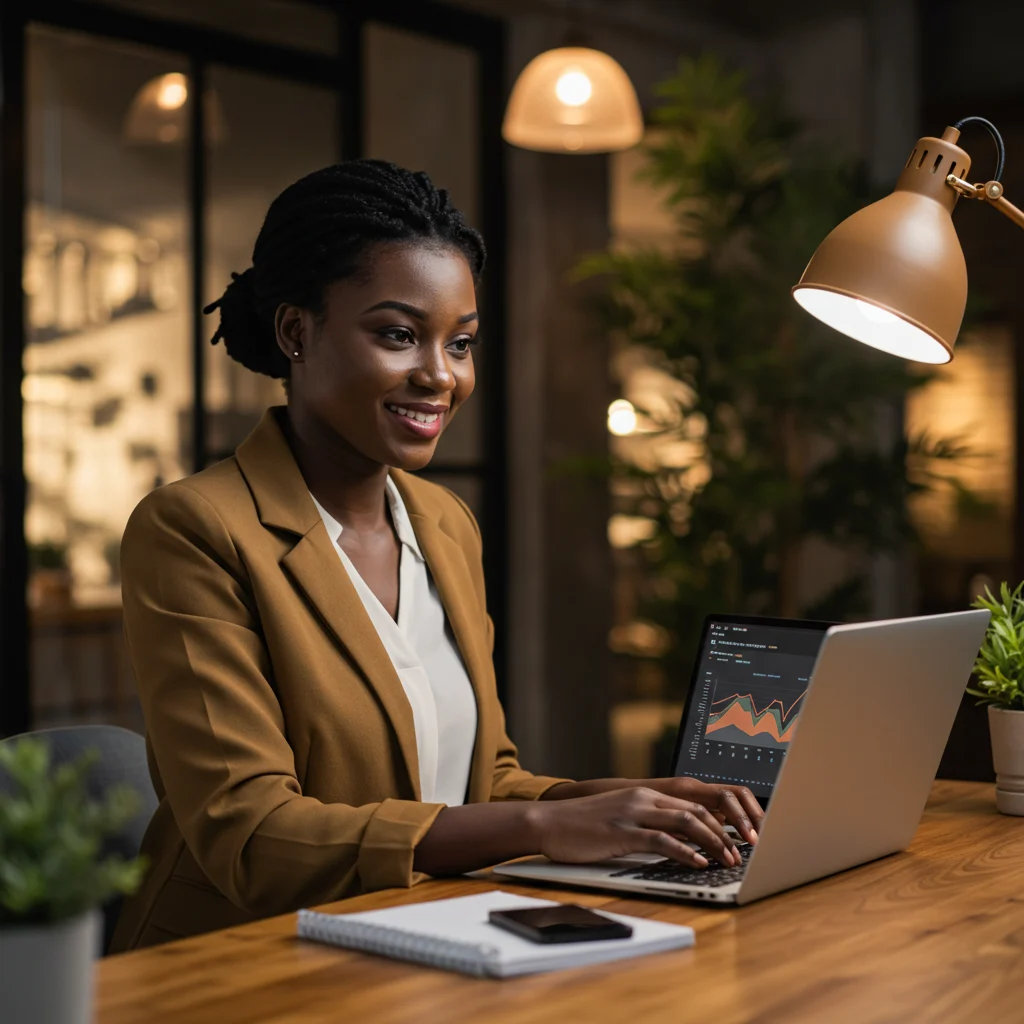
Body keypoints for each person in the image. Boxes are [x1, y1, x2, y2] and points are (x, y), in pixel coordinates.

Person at [110, 161, 763, 952]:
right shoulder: (195, 529)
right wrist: (544, 825)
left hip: (420, 938)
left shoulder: (444, 525)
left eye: (460, 343)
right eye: (397, 334)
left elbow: (479, 780)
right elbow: (251, 835)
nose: (440, 376)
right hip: (240, 961)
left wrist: (624, 800)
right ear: (296, 332)